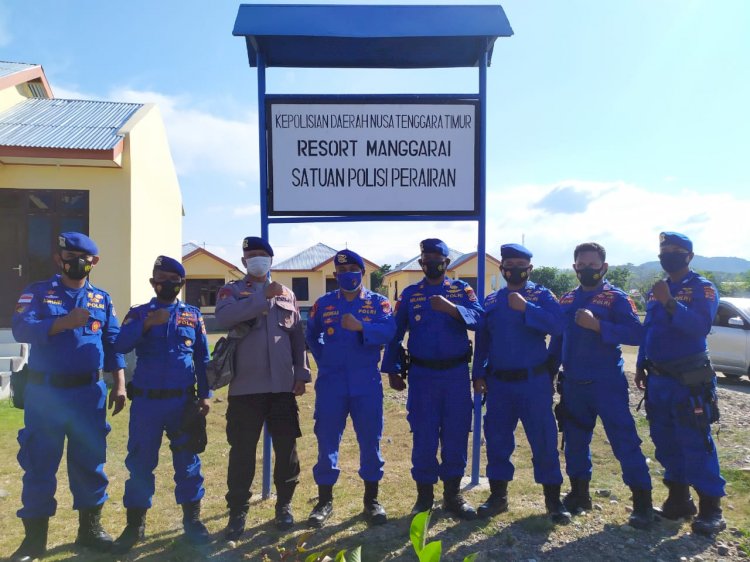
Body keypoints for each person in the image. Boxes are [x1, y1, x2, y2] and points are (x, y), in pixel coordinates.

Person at [11, 232, 126, 561]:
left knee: (90, 462)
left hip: (88, 395)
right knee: (38, 463)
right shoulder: (38, 292)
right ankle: (34, 542)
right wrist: (62, 323)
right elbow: (21, 328)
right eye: (68, 255)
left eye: (82, 256)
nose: (74, 261)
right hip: (46, 394)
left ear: (94, 262)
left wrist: (119, 383)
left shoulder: (101, 300)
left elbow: (113, 343)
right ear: (58, 259)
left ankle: (89, 531)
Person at [549, 242, 654, 529]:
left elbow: (637, 333)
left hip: (606, 383)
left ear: (604, 267)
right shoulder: (568, 300)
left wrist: (599, 327)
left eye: (592, 266)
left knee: (624, 441)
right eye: (581, 266)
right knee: (574, 441)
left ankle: (642, 504)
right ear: (575, 268)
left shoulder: (616, 298)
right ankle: (580, 495)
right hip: (573, 384)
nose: (587, 271)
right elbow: (558, 338)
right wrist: (549, 370)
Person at [111, 256, 211, 552]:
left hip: (182, 402)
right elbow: (119, 345)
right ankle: (134, 526)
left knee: (188, 462)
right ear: (153, 282)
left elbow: (202, 359)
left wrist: (205, 394)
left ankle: (192, 522)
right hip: (147, 404)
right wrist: (144, 326)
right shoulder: (138, 313)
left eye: (172, 279)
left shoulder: (193, 315)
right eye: (160, 278)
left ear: (181, 283)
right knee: (140, 463)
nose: (165, 284)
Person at [215, 236, 310, 539]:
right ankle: (238, 513)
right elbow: (224, 317)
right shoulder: (231, 291)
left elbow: (296, 336)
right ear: (244, 262)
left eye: (262, 255)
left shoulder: (287, 294)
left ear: (271, 260)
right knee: (242, 451)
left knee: (287, 449)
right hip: (245, 387)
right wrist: (261, 300)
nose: (256, 259)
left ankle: (284, 506)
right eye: (251, 255)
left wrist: (301, 371)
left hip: (282, 386)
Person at [382, 238, 483, 520]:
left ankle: (453, 495)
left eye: (435, 259)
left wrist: (452, 309)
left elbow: (480, 319)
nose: (430, 264)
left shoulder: (461, 290)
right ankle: (424, 497)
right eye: (425, 259)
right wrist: (391, 369)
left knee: (456, 433)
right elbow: (395, 332)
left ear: (446, 263)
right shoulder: (411, 293)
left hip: (455, 376)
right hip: (422, 376)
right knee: (424, 434)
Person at [635, 232, 726, 536]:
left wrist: (670, 302)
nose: (668, 254)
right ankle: (678, 500)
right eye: (664, 250)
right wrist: (641, 365)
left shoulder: (703, 288)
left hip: (689, 381)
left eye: (675, 250)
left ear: (688, 255)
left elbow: (700, 326)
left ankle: (711, 509)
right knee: (665, 441)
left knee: (696, 442)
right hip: (658, 380)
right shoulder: (656, 290)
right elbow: (650, 330)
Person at [472, 244, 570, 523]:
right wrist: (478, 373)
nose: (514, 269)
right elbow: (483, 341)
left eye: (520, 264)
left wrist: (527, 308)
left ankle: (553, 501)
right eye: (509, 264)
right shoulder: (491, 301)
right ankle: (498, 496)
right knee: (497, 440)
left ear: (530, 268)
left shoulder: (542, 295)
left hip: (533, 383)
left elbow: (558, 327)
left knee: (543, 439)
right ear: (502, 268)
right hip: (499, 383)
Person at [305, 249, 396, 527]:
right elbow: (311, 335)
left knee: (370, 440)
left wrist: (361, 327)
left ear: (363, 273)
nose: (347, 275)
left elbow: (389, 332)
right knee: (327, 440)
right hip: (331, 383)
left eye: (352, 270)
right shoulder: (324, 304)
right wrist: (325, 360)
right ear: (335, 275)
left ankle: (371, 501)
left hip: (365, 383)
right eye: (341, 271)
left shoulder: (379, 304)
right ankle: (324, 502)